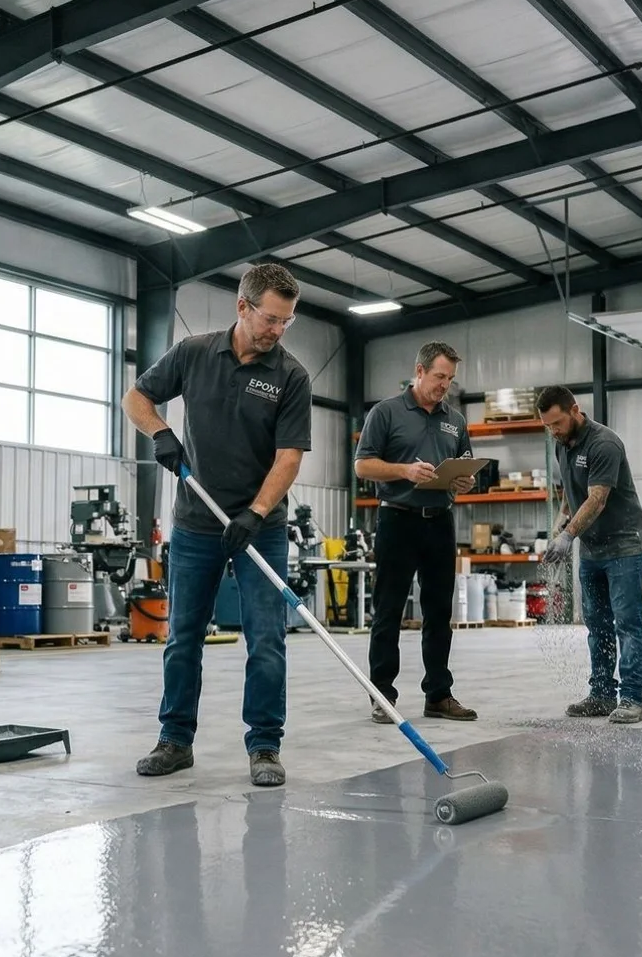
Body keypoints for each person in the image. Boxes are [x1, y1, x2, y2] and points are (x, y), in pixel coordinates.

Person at [123, 263, 313, 787]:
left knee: (267, 639)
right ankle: (175, 739)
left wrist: (255, 511)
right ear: (242, 307)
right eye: (271, 319)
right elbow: (135, 398)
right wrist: (160, 431)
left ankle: (265, 746)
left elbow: (290, 457)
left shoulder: (291, 375)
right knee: (183, 635)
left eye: (286, 322)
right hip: (195, 524)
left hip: (262, 525)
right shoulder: (195, 353)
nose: (277, 331)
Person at [353, 341, 480, 725]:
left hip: (440, 520)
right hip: (398, 519)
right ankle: (382, 695)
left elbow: (465, 464)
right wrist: (405, 471)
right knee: (388, 611)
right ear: (420, 371)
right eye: (440, 376)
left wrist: (464, 481)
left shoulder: (454, 420)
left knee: (439, 612)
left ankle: (438, 695)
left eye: (451, 379)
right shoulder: (386, 412)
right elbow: (363, 467)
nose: (445, 385)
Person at [536, 387, 642, 724]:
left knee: (627, 624)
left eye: (556, 423)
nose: (553, 431)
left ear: (575, 410)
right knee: (597, 624)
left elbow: (597, 498)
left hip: (624, 546)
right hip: (592, 548)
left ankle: (631, 699)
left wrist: (569, 535)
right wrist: (560, 524)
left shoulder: (604, 443)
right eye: (547, 426)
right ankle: (601, 694)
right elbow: (573, 493)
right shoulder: (561, 444)